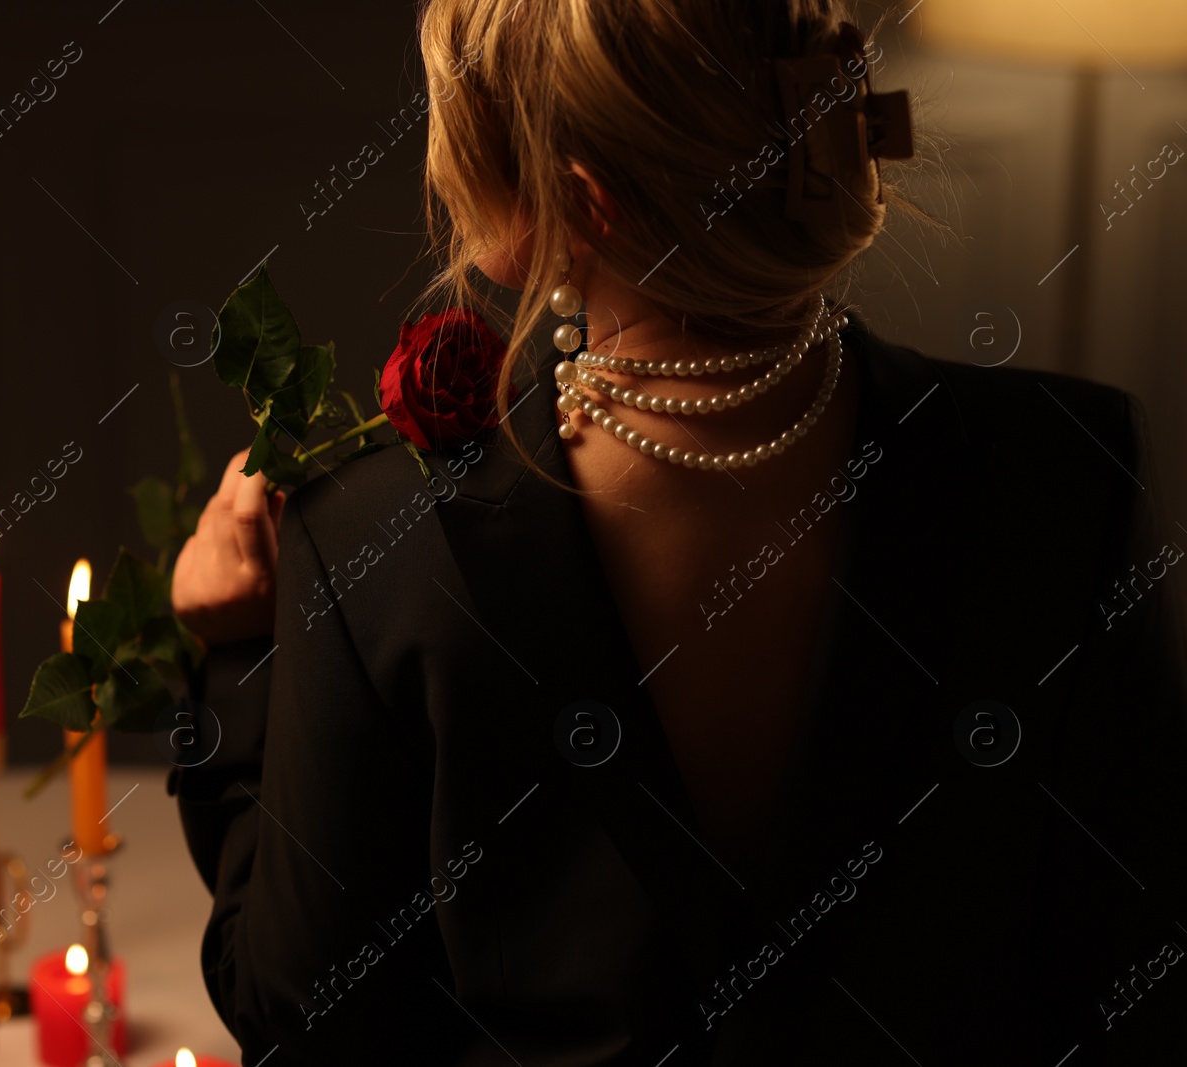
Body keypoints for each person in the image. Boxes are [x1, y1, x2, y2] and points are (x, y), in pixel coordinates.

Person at [167, 1, 1187, 1063]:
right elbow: (1140, 986)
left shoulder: (374, 545)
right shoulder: (1067, 469)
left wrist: (239, 659)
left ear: (579, 203)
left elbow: (303, 1019)